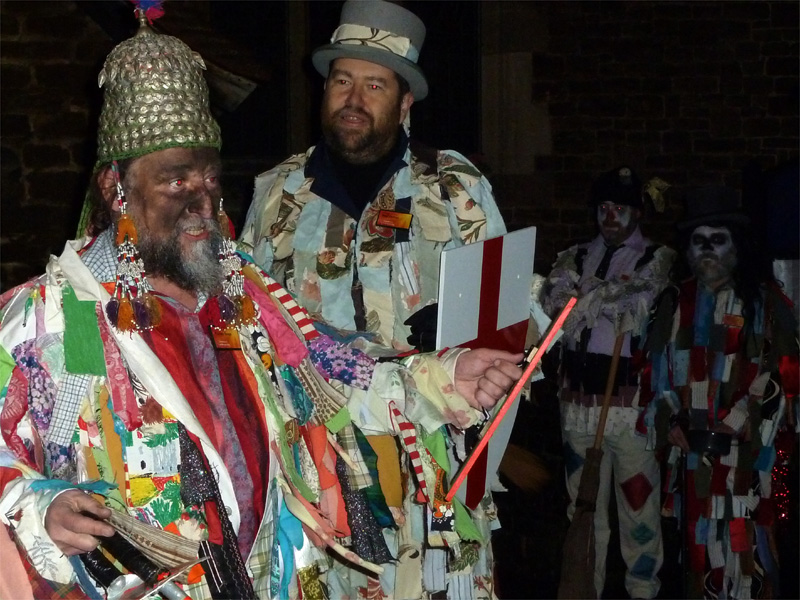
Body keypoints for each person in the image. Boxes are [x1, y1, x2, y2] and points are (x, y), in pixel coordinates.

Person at [0, 6, 524, 600]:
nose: (202, 199)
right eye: (176, 179)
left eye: (210, 177)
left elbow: (333, 372)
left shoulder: (242, 293)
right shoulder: (46, 317)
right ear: (116, 187)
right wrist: (38, 506)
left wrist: (446, 375)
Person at [238, 0, 507, 355]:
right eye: (343, 81)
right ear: (325, 89)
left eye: (375, 86)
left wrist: (464, 324)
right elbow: (241, 305)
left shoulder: (454, 187)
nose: (354, 99)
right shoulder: (278, 191)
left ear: (404, 104)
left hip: (424, 405)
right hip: (316, 405)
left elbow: (507, 307)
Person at [644, 186, 798, 599]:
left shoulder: (766, 303)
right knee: (699, 541)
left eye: (718, 240)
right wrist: (672, 420)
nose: (707, 250)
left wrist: (743, 417)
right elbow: (657, 376)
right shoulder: (675, 302)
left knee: (746, 537)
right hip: (693, 454)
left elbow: (784, 374)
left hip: (747, 455)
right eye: (699, 242)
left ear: (736, 245)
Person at [542, 165, 675, 599]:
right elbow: (556, 304)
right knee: (583, 509)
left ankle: (642, 592)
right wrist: (595, 299)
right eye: (603, 208)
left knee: (638, 508)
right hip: (577, 402)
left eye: (619, 208)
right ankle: (585, 590)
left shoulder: (657, 257)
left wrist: (587, 299)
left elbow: (635, 301)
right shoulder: (574, 256)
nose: (610, 217)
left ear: (638, 212)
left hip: (629, 407)